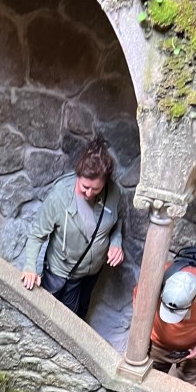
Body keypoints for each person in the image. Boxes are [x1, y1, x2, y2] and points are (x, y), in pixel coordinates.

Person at [20, 137, 124, 320]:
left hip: (92, 272)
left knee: (81, 310)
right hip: (62, 273)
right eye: (85, 187)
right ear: (78, 175)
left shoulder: (114, 193)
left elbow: (117, 222)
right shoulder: (59, 197)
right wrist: (30, 267)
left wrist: (116, 242)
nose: (89, 193)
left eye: (96, 189)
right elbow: (37, 234)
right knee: (62, 320)